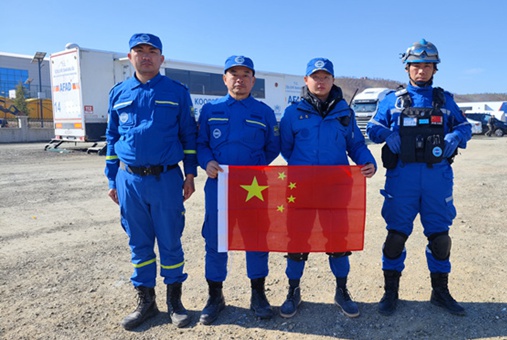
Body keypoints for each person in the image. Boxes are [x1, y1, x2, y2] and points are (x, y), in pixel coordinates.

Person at [366, 39, 472, 317]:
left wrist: (455, 136)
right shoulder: (391, 100)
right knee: (396, 236)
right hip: (402, 178)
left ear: (435, 69)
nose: (421, 71)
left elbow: (464, 125)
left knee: (440, 238)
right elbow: (373, 126)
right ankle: (390, 293)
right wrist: (387, 135)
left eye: (427, 66)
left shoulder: (444, 99)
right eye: (416, 66)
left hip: (437, 177)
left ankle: (440, 292)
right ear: (407, 68)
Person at [104, 33, 197, 330]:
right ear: (130, 57)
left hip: (167, 179)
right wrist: (111, 179)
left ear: (161, 58)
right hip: (129, 180)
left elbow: (189, 136)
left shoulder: (177, 91)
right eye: (139, 51)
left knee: (170, 241)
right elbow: (112, 137)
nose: (146, 56)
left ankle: (174, 302)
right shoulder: (118, 92)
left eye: (152, 51)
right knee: (139, 243)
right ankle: (146, 302)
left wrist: (191, 174)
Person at [278, 57, 377, 318]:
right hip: (300, 189)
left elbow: (355, 145)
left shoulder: (345, 113)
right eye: (315, 77)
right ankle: (293, 290)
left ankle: (342, 290)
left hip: (336, 188)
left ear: (333, 80)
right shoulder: (292, 113)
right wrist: (307, 170)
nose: (320, 81)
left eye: (325, 77)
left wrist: (367, 161)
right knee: (297, 239)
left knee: (338, 240)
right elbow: (287, 148)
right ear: (306, 80)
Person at [196, 55, 281, 324]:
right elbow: (200, 143)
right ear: (225, 78)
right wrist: (206, 161)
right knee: (216, 240)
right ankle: (215, 296)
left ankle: (258, 295)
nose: (240, 79)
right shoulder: (210, 110)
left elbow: (273, 146)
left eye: (246, 74)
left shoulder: (264, 112)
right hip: (218, 186)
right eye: (234, 74)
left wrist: (256, 167)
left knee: (256, 239)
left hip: (253, 187)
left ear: (253, 80)